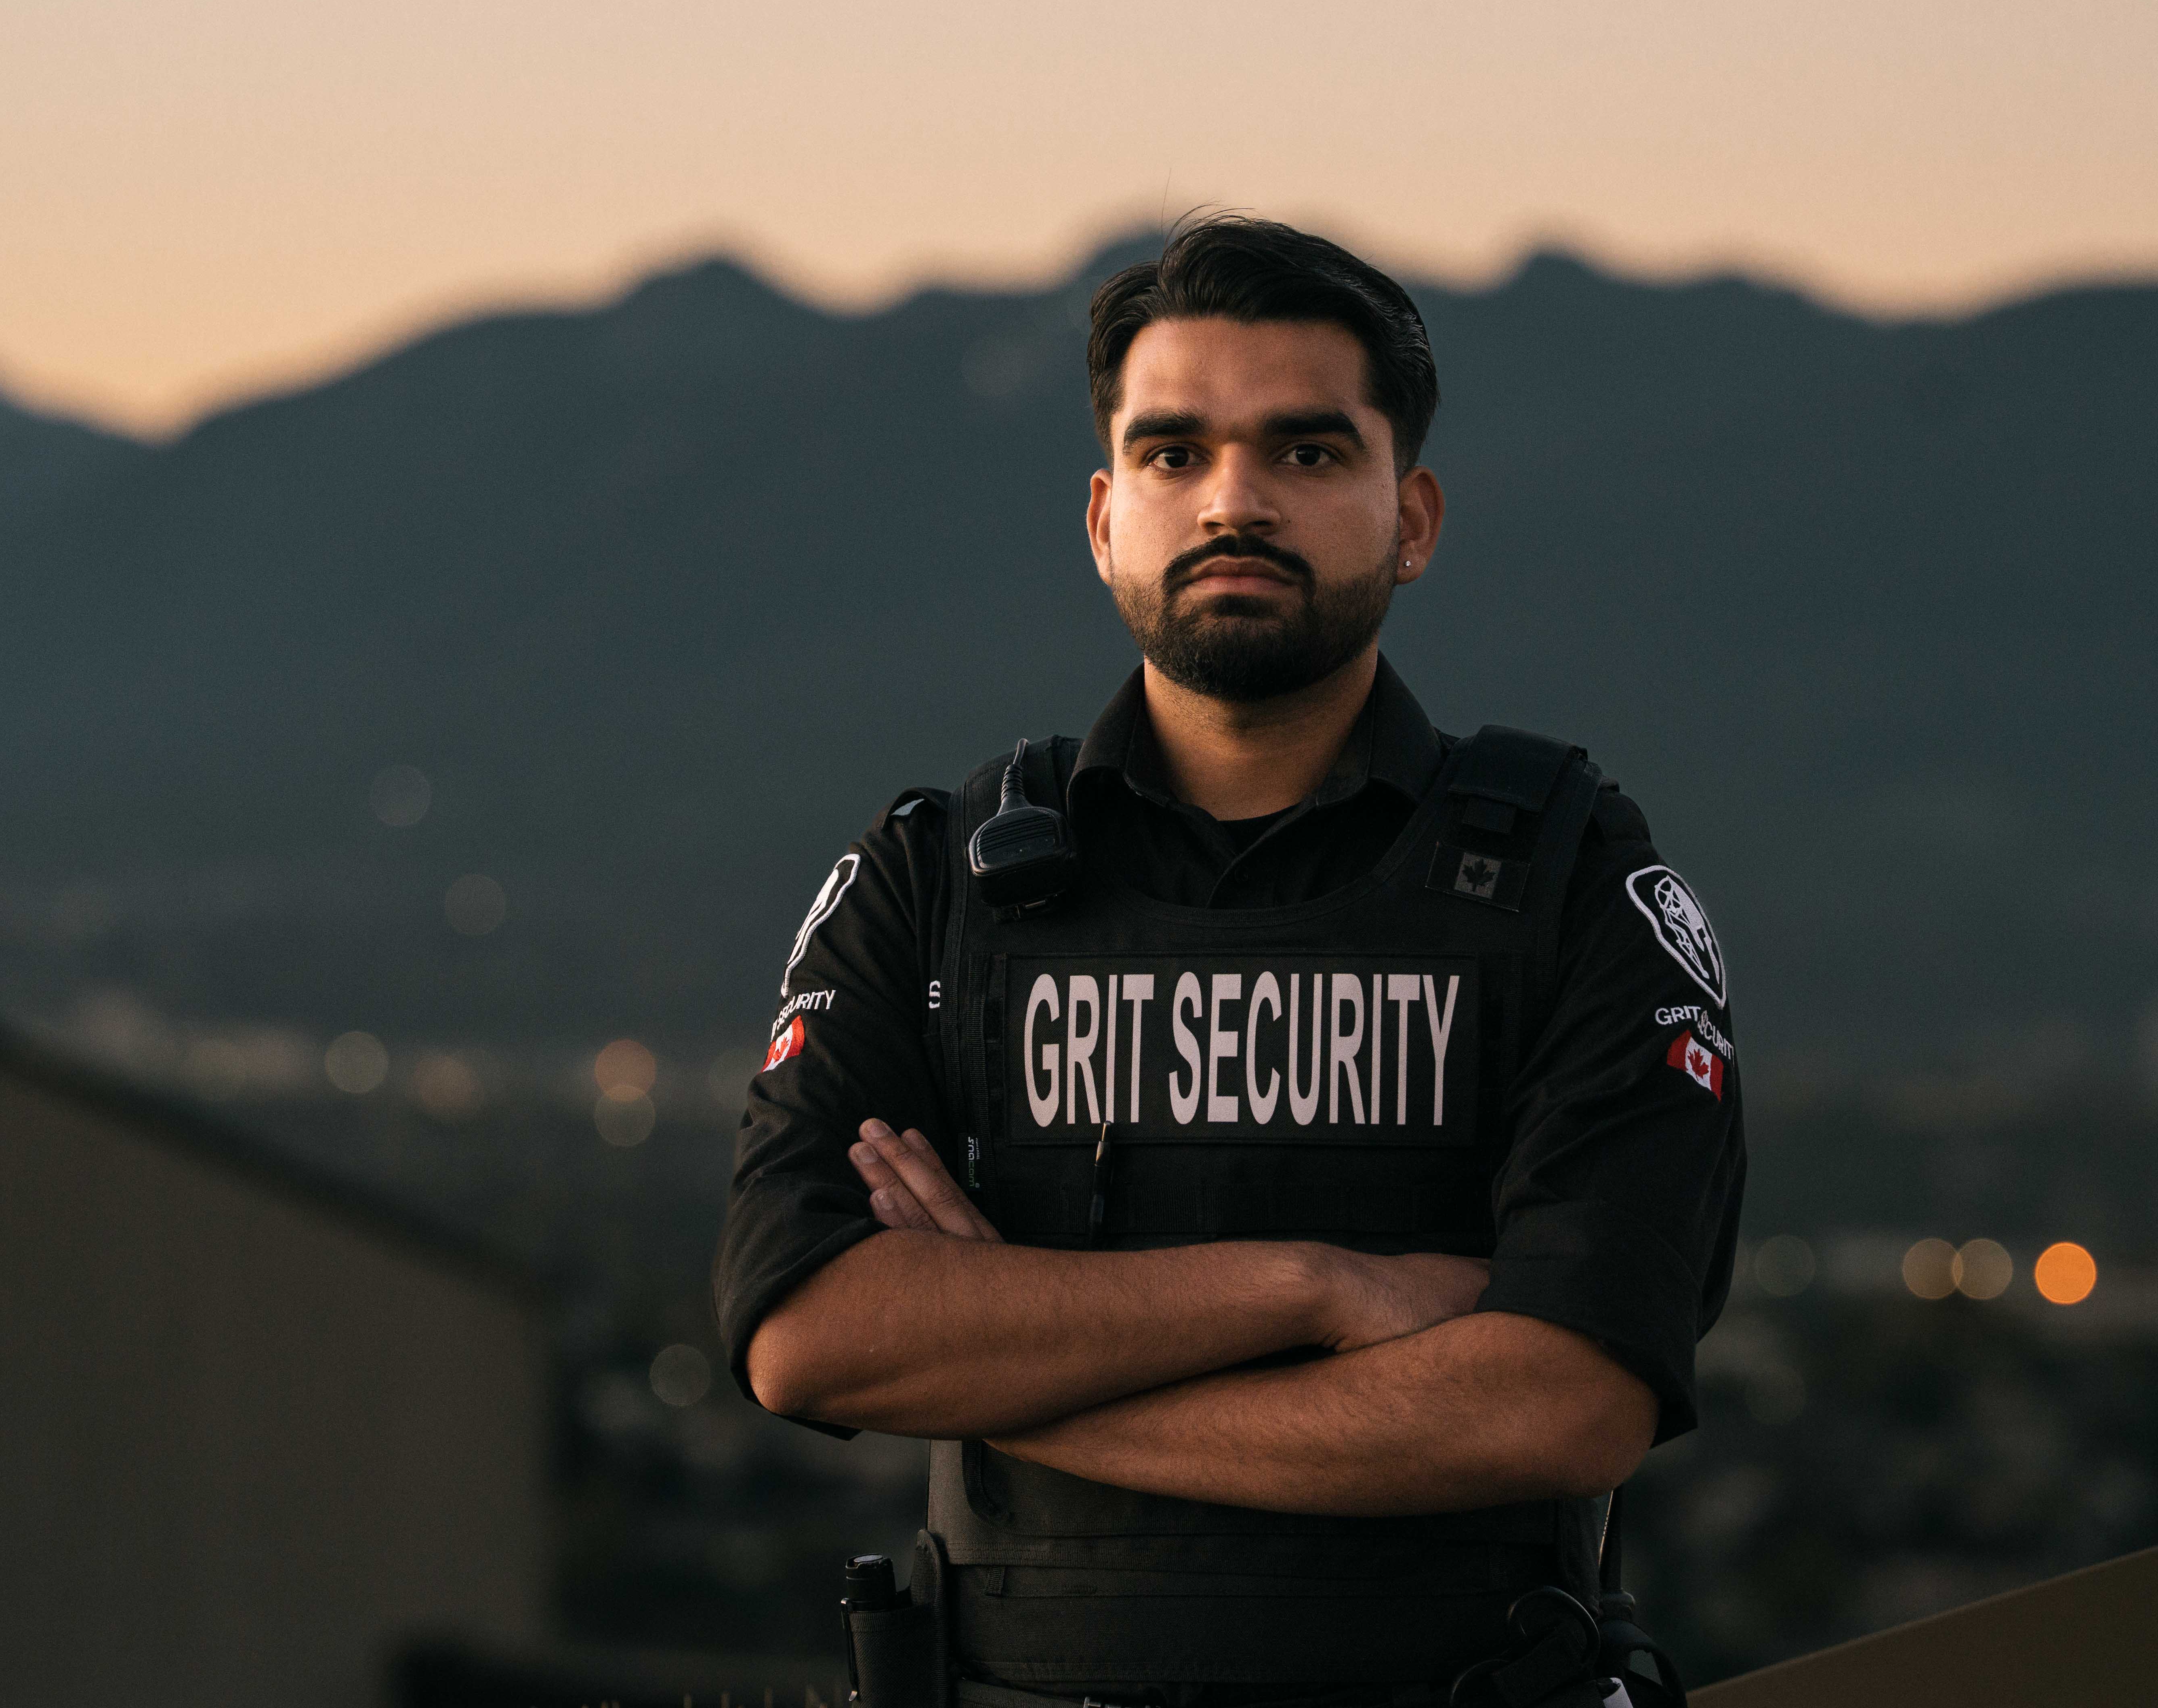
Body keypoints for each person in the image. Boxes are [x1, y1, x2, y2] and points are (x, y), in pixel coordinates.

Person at [713, 217, 1746, 1704]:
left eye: (1309, 454)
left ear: (1414, 518)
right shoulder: (937, 880)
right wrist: (1311, 1287)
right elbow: (808, 1334)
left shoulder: (1572, 881)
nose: (1234, 502)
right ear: (1102, 517)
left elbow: (1564, 1402)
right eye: (1173, 454)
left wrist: (1015, 1374)